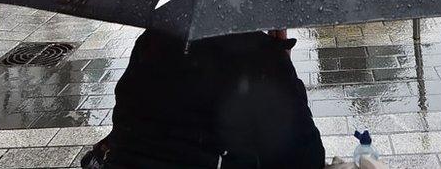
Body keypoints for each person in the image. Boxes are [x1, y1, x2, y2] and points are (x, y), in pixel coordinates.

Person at [82, 30, 325, 169]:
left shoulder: (149, 43)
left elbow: (125, 123)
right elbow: (305, 159)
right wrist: (282, 63)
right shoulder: (263, 56)